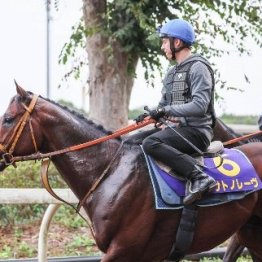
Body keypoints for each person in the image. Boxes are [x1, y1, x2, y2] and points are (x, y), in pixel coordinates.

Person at [135, 18, 217, 205]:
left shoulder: (199, 67)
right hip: (174, 131)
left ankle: (199, 177)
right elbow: (164, 104)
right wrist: (152, 115)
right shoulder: (171, 73)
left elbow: (199, 106)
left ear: (177, 42)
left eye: (165, 41)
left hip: (197, 133)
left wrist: (165, 110)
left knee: (150, 143)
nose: (163, 46)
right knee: (132, 142)